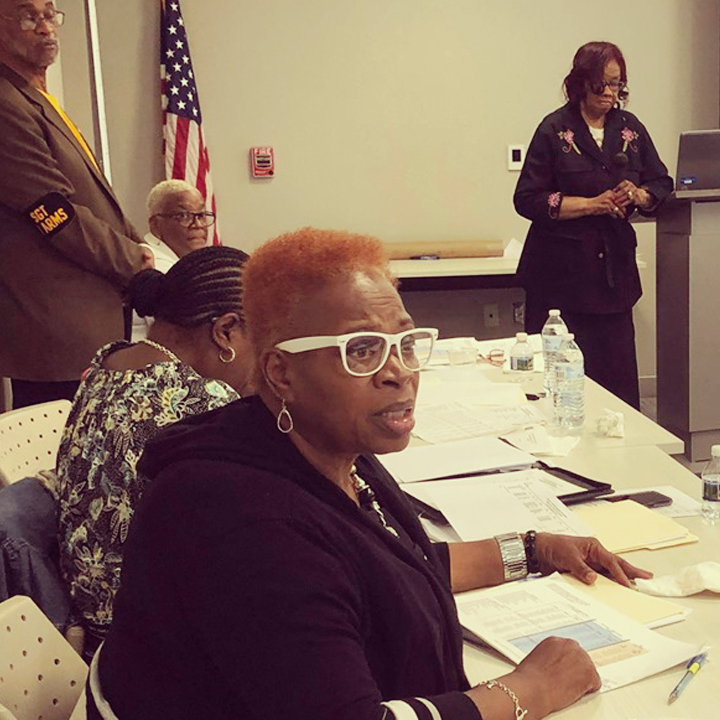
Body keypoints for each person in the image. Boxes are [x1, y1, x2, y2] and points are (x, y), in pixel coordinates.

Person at [87, 228, 651, 720]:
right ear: (281, 372)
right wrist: (524, 691)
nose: (398, 372)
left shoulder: (321, 448)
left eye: (404, 343)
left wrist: (532, 550)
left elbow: (385, 568)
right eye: (361, 350)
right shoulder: (238, 518)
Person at [57, 246, 254, 658]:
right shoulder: (203, 402)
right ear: (226, 332)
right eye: (265, 338)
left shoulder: (108, 361)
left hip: (87, 604)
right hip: (146, 635)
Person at [0, 0, 152, 409]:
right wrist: (135, 261)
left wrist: (141, 246)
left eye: (50, 14)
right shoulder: (5, 104)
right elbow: (55, 213)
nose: (45, 27)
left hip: (92, 325)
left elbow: (96, 200)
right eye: (28, 16)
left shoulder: (35, 98)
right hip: (57, 336)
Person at [514, 41, 672, 409]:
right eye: (601, 84)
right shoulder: (554, 129)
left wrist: (639, 195)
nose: (609, 93)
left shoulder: (630, 129)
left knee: (617, 385)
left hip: (613, 278)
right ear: (581, 83)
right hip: (560, 281)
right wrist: (590, 204)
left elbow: (661, 182)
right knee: (559, 389)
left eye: (617, 84)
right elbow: (527, 198)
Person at [132, 179, 215, 340]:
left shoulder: (181, 262)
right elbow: (187, 336)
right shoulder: (155, 265)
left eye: (201, 215)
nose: (198, 224)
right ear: (155, 225)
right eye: (183, 215)